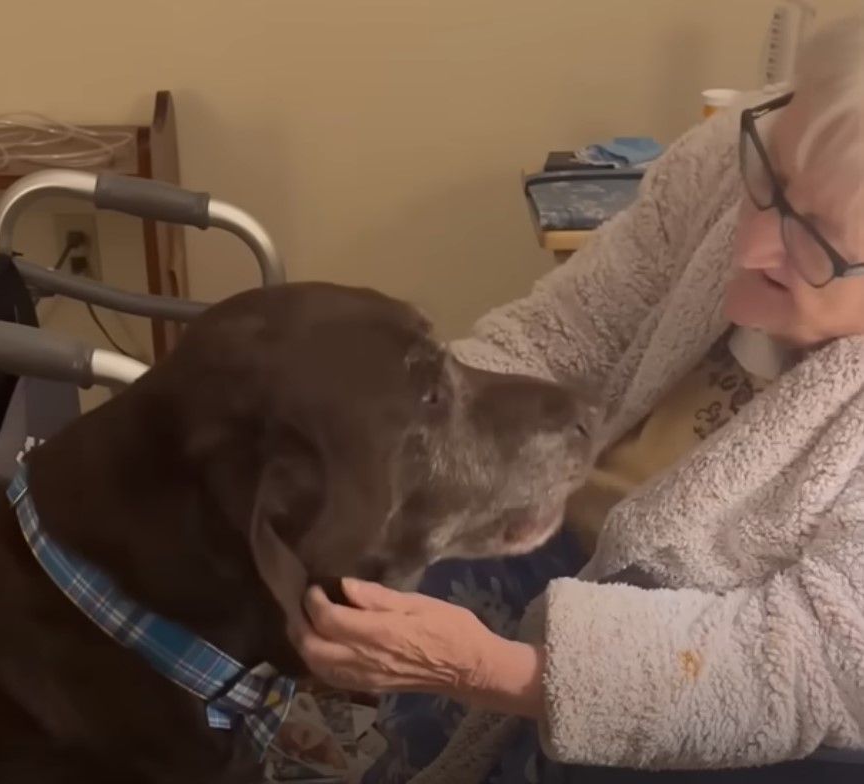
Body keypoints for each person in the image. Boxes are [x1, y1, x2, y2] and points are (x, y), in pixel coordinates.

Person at [286, 14, 864, 784]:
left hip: (715, 668)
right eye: (775, 182)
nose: (752, 240)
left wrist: (492, 671)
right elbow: (553, 337)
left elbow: (802, 663)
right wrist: (403, 445)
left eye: (814, 237)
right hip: (562, 560)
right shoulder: (730, 159)